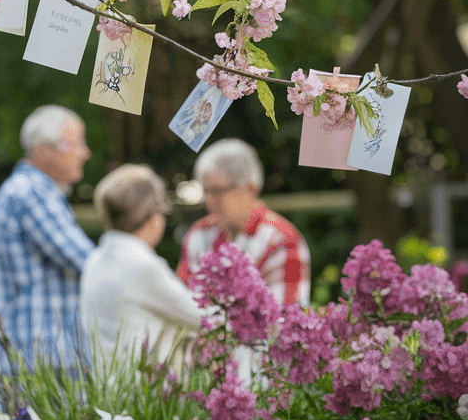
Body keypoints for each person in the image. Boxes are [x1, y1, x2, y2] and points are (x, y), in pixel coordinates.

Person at [0, 105, 95, 374]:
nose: (85, 153)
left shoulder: (32, 190)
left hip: (35, 352)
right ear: (44, 151)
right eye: (76, 145)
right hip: (39, 355)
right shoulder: (31, 191)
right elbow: (86, 260)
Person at [80, 165, 203, 369]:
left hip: (104, 382)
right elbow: (203, 319)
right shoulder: (141, 267)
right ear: (153, 216)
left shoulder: (96, 260)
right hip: (138, 386)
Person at [176, 138, 310, 306]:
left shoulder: (280, 239)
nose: (209, 201)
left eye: (218, 191)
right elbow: (178, 302)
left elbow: (285, 315)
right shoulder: (199, 233)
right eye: (206, 191)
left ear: (250, 188)